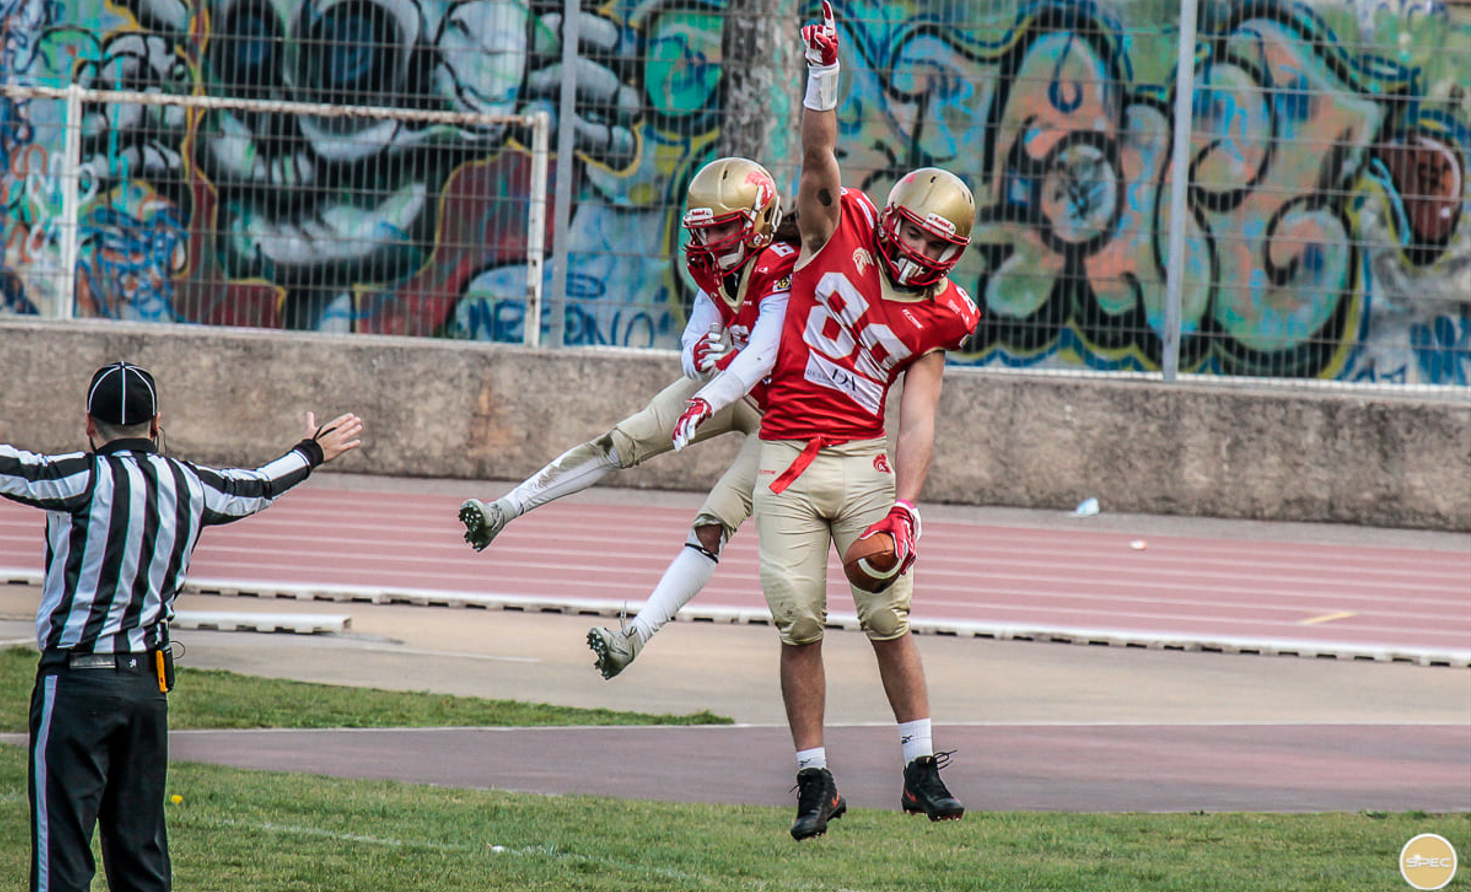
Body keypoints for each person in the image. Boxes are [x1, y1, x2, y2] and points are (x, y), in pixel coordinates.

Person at [671, 0, 979, 840]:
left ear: (951, 258)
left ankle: (919, 768)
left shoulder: (939, 316)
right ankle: (815, 780)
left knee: (888, 618)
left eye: (932, 248)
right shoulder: (831, 227)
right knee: (797, 622)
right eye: (909, 236)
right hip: (783, 455)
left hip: (862, 464)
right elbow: (816, 150)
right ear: (888, 219)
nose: (915, 256)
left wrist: (909, 507)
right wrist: (821, 72)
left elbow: (918, 417)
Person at [2, 361, 362, 892]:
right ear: (157, 423)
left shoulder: (78, 477)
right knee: (141, 856)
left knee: (62, 859)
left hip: (77, 683)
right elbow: (257, 486)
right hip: (147, 688)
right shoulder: (189, 483)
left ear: (88, 424)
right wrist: (310, 452)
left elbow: (10, 466)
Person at [458, 157, 798, 679]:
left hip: (785, 414)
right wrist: (699, 357)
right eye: (707, 231)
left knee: (712, 524)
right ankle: (504, 509)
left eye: (727, 228)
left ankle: (634, 636)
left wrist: (711, 388)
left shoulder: (783, 266)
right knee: (623, 440)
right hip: (733, 384)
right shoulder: (710, 262)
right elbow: (696, 334)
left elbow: (763, 356)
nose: (715, 242)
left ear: (760, 217)